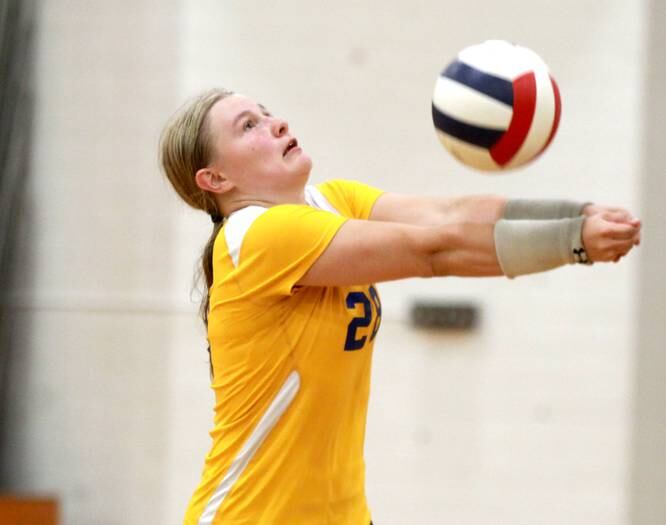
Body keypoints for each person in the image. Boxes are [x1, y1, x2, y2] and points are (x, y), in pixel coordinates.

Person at [159, 88, 641, 525]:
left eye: (266, 113)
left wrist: (577, 212)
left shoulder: (331, 201)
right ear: (214, 178)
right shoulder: (255, 235)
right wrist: (571, 242)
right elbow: (431, 250)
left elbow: (448, 214)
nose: (277, 123)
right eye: (249, 126)